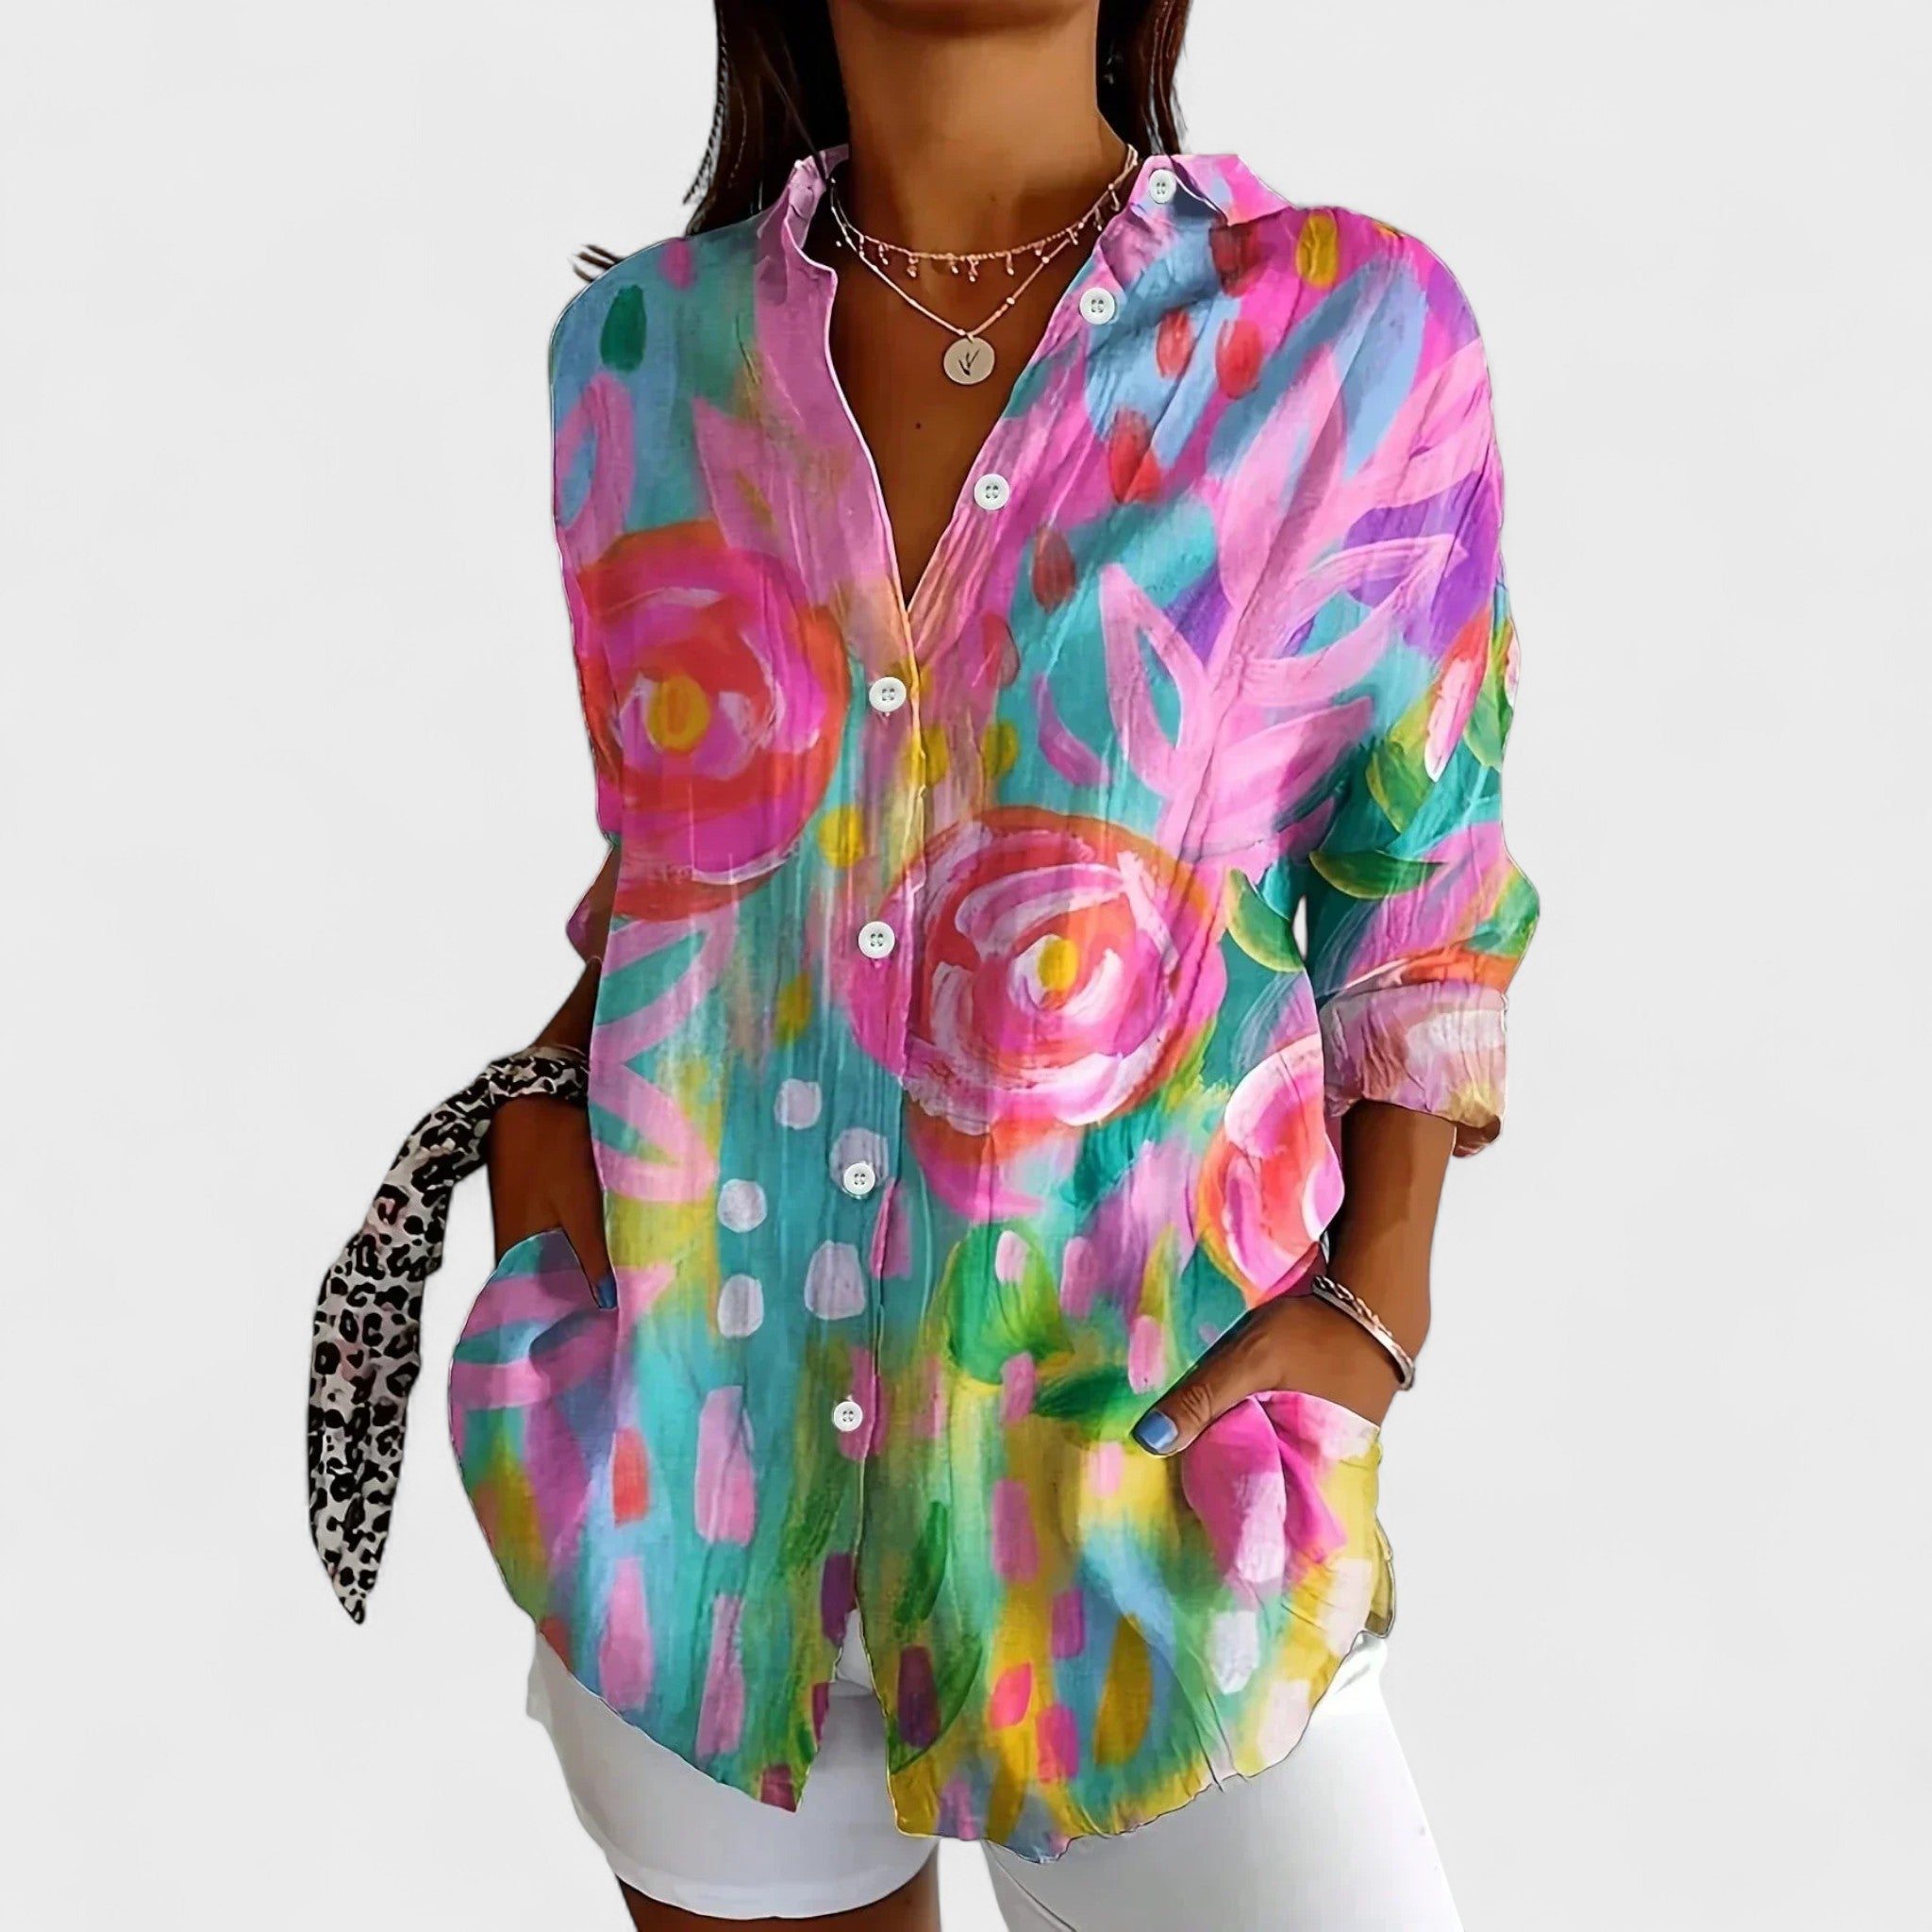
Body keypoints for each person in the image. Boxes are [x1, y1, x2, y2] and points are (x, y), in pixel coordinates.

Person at [477, 2, 1540, 1925]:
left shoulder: (1345, 337)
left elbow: (1421, 874)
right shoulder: (637, 359)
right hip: (697, 1489)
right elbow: (690, 848)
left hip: (1141, 1486)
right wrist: (544, 1120)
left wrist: (1378, 1301)